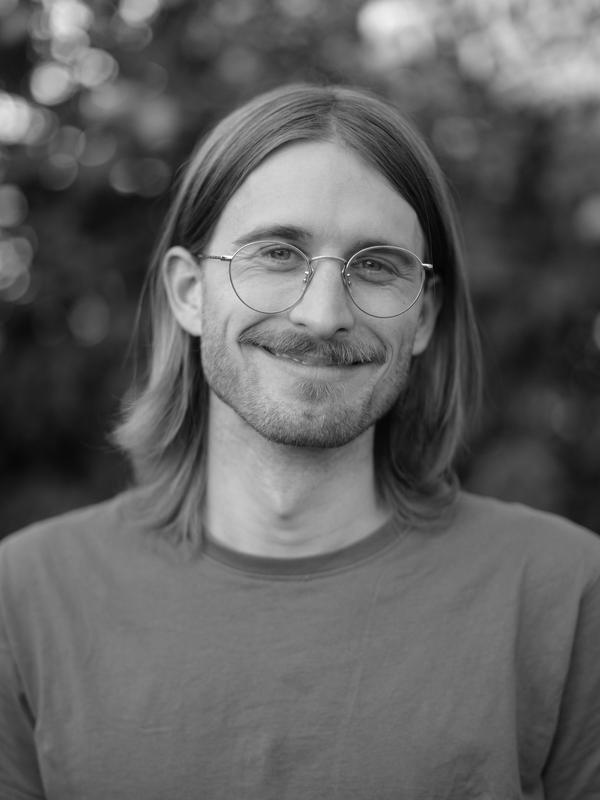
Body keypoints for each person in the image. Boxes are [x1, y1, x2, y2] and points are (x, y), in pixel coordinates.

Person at [1, 83, 599, 800]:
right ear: (189, 293)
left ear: (424, 316)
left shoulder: (565, 596)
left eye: (375, 265)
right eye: (278, 253)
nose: (322, 314)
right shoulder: (26, 600)